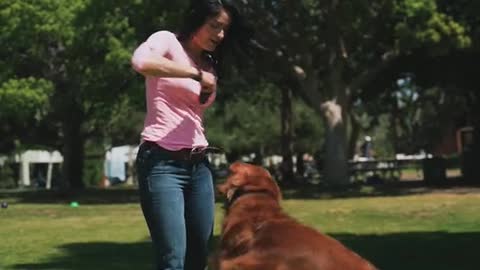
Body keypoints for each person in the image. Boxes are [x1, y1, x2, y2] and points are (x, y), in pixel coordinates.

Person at [131, 1, 251, 269]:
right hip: (161, 163)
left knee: (198, 259)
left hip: (199, 167)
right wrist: (194, 74)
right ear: (197, 20)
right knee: (173, 258)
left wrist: (205, 80)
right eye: (215, 26)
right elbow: (140, 62)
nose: (220, 35)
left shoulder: (210, 63)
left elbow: (195, 109)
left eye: (224, 30)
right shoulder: (166, 41)